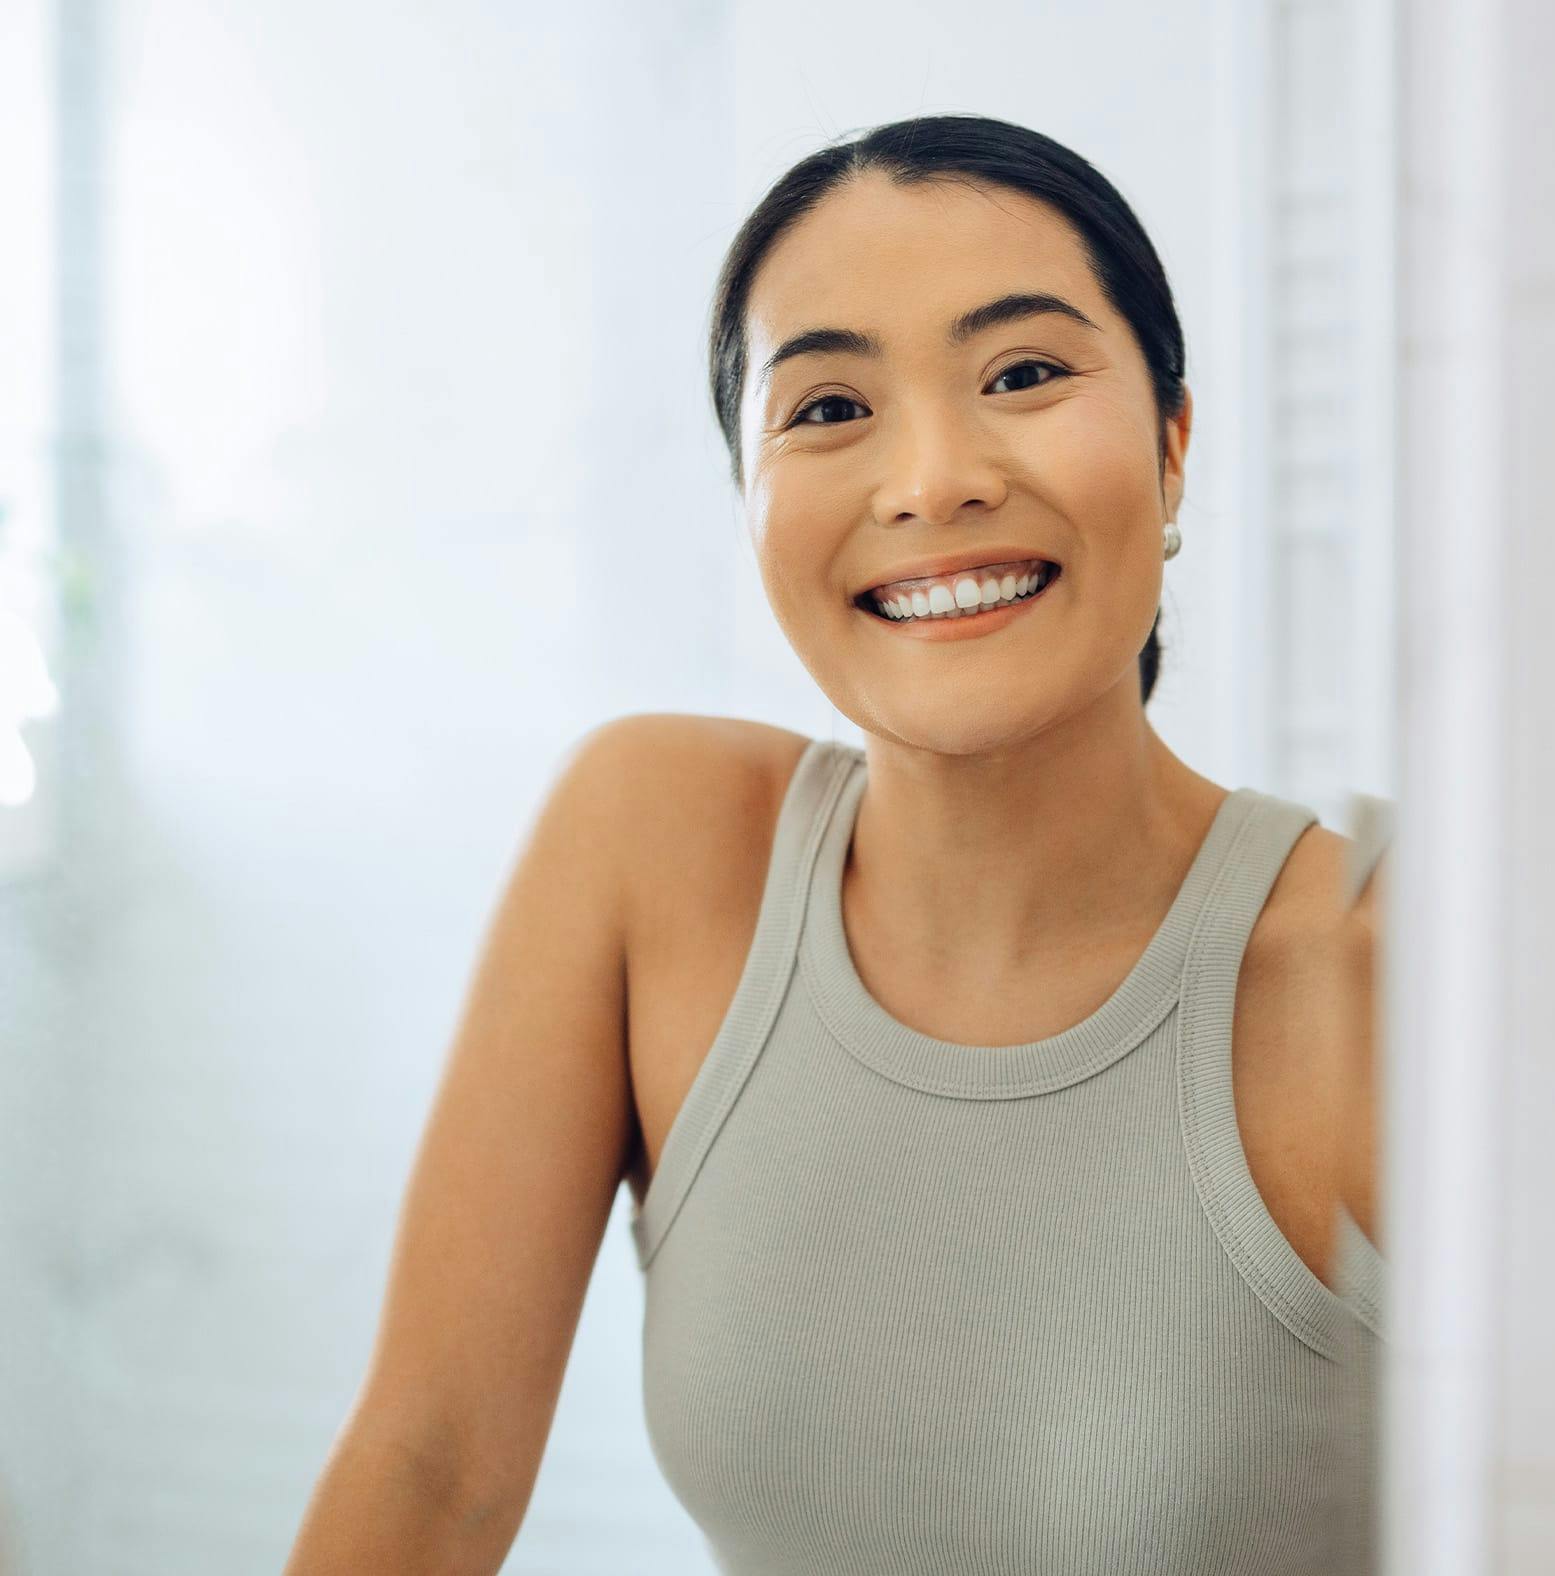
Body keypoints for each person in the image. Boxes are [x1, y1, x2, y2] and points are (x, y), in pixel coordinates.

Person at [285, 111, 1385, 1576]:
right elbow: (434, 1469)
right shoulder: (652, 840)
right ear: (749, 502)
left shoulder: (1393, 962)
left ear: (1173, 445)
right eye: (827, 409)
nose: (932, 480)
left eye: (1025, 374)